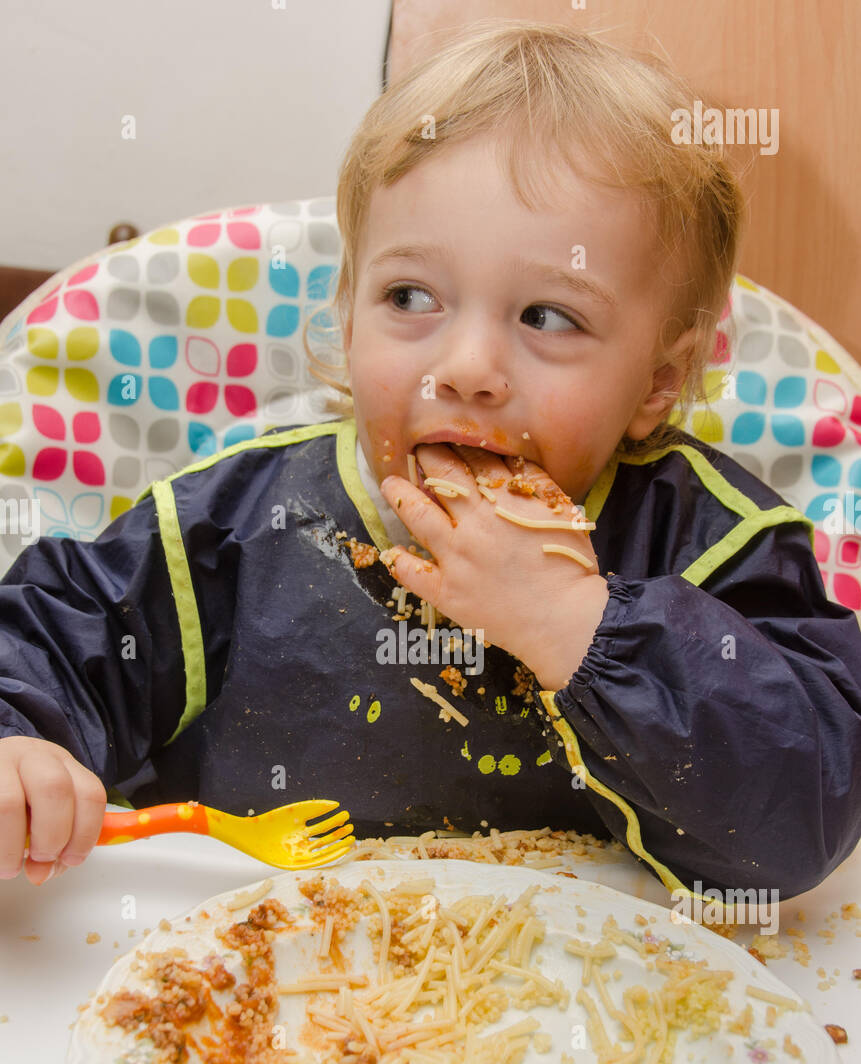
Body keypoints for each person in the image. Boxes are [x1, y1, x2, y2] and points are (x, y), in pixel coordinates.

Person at [0, 21, 859, 910]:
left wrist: (582, 625)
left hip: (585, 1011)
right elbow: (53, 643)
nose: (468, 368)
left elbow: (806, 818)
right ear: (348, 312)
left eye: (547, 316)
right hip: (255, 988)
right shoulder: (232, 524)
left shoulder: (714, 546)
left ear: (659, 379)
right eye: (411, 297)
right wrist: (18, 746)